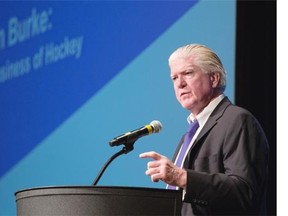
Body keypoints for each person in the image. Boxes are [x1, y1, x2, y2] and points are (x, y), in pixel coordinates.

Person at [139, 44, 269, 215]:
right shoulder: (191, 133)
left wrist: (182, 178)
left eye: (188, 73)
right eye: (174, 78)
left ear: (214, 78)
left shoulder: (237, 120)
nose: (180, 84)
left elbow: (245, 193)